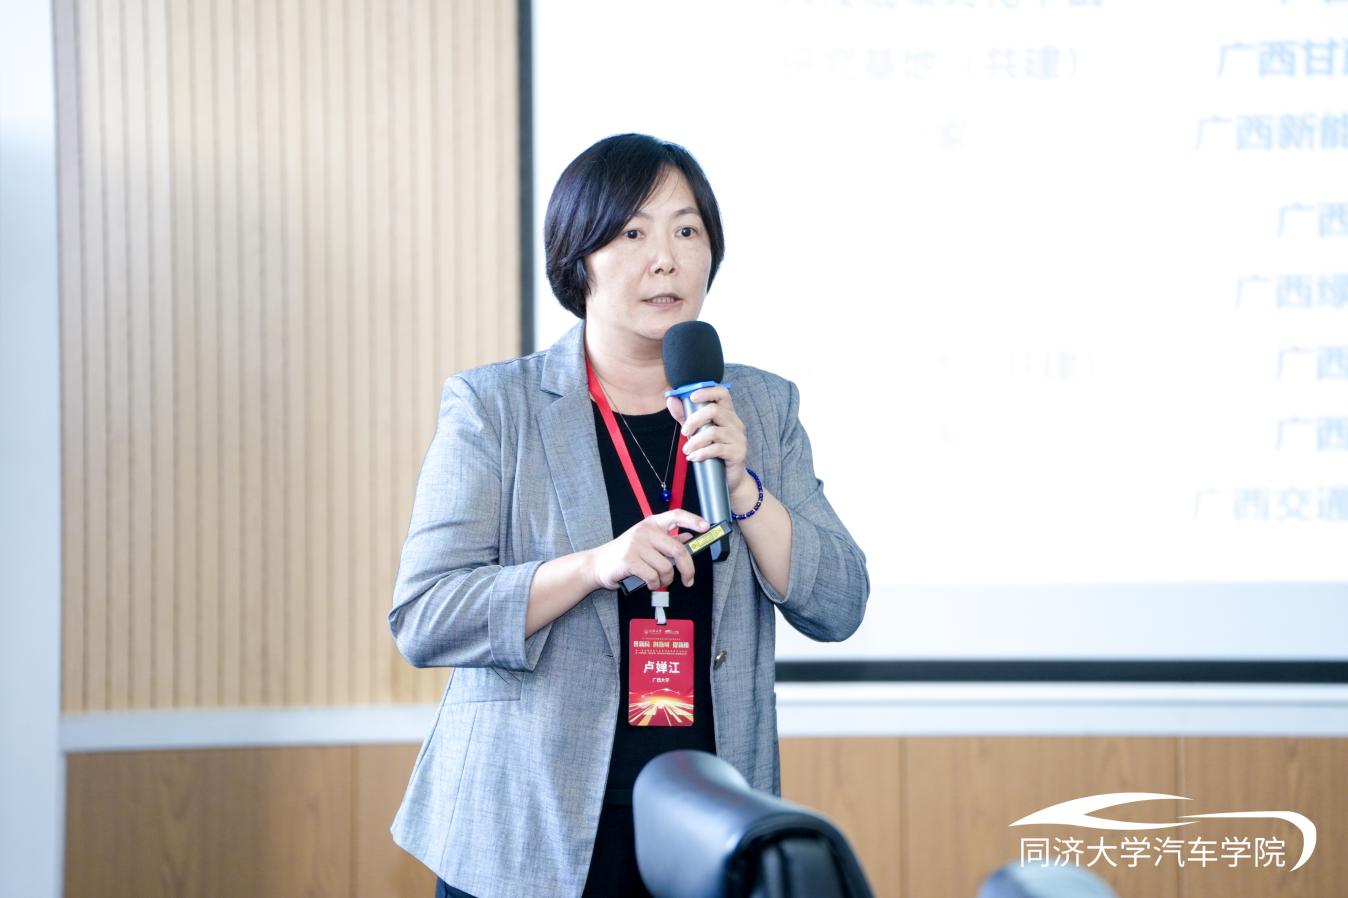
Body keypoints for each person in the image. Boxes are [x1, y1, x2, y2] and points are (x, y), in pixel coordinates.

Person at [388, 133, 869, 898]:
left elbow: (840, 604)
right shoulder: (497, 407)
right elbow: (425, 616)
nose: (666, 260)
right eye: (632, 234)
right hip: (528, 827)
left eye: (687, 231)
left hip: (706, 828)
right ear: (577, 257)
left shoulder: (761, 405)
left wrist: (744, 489)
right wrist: (592, 567)